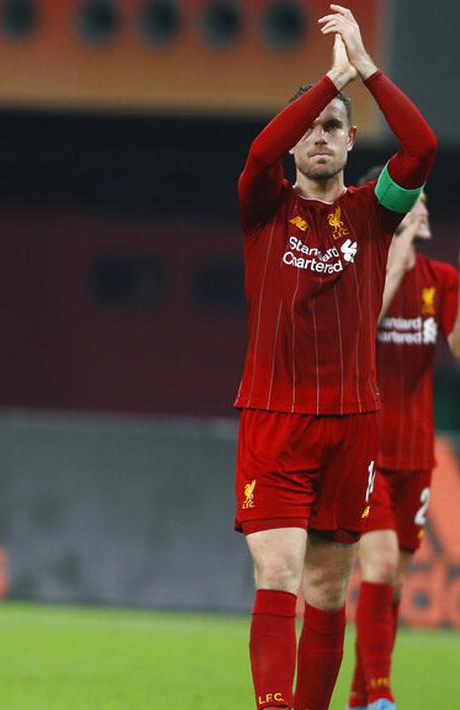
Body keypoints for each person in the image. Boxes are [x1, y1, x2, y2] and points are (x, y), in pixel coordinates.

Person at [231, 5, 435, 710]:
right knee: (278, 574)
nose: (318, 137)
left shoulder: (372, 213)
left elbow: (421, 147)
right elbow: (259, 152)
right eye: (308, 130)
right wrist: (328, 82)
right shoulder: (263, 207)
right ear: (295, 146)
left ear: (351, 141)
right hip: (274, 419)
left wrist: (368, 73)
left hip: (352, 424)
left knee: (325, 589)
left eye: (332, 128)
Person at [346, 178, 460, 710]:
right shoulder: (361, 271)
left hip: (416, 452)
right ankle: (382, 696)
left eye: (423, 202)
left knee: (391, 586)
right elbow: (358, 331)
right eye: (410, 202)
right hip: (364, 449)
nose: (423, 209)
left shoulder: (442, 279)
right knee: (382, 565)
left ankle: (357, 697)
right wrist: (393, 257)